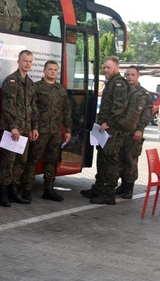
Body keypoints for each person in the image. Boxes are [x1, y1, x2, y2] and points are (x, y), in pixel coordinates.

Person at [81, 56, 130, 205]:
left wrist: (109, 123)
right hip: (104, 130)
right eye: (104, 67)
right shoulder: (111, 83)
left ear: (116, 67)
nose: (105, 70)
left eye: (108, 67)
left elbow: (119, 107)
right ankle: (99, 188)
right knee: (102, 159)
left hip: (112, 131)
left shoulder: (119, 83)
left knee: (111, 161)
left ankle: (109, 194)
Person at [20, 60, 72, 202]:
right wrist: (32, 128)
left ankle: (48, 189)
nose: (53, 72)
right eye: (50, 69)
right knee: (33, 160)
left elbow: (66, 111)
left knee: (52, 161)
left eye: (55, 69)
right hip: (40, 132)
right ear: (44, 71)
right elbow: (31, 110)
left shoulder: (61, 90)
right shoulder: (36, 87)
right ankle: (26, 190)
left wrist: (68, 130)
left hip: (55, 132)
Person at [0, 50, 38, 207]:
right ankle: (3, 195)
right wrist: (13, 127)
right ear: (19, 61)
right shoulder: (11, 81)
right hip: (12, 130)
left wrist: (34, 127)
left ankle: (13, 192)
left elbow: (33, 107)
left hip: (25, 130)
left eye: (30, 61)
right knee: (8, 161)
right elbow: (8, 105)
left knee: (21, 162)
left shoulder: (30, 84)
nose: (27, 63)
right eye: (25, 60)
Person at [115, 66, 153, 199]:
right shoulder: (122, 91)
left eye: (132, 74)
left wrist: (140, 129)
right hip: (120, 132)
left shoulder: (144, 94)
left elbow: (147, 114)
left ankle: (129, 188)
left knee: (131, 160)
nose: (129, 77)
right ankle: (123, 185)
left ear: (138, 76)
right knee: (120, 159)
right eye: (127, 74)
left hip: (134, 133)